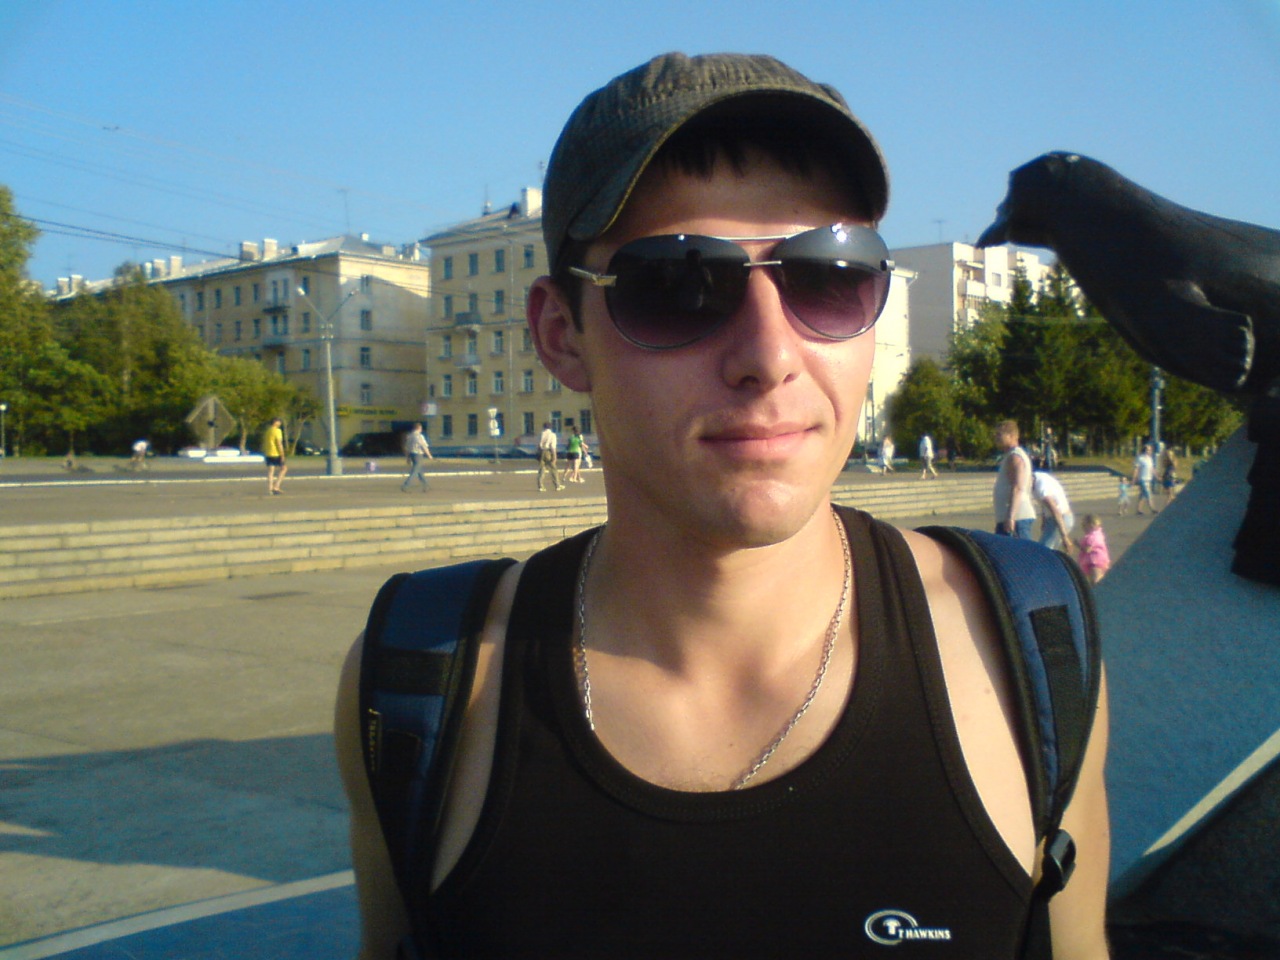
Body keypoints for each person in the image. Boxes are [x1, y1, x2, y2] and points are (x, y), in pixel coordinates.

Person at [335, 52, 1109, 959]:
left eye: (830, 275)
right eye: (680, 284)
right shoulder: (427, 682)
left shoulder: (1027, 649)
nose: (770, 356)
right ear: (561, 335)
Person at [993, 420, 1037, 539]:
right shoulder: (1010, 455)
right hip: (1010, 517)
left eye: (999, 434)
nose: (996, 438)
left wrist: (1010, 516)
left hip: (1017, 518)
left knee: (1021, 551)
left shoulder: (1015, 456)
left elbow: (1017, 487)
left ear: (1012, 436)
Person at [1031, 469, 1075, 552]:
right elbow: (1044, 504)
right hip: (1055, 519)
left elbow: (1055, 511)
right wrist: (1044, 520)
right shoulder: (1037, 477)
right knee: (1048, 551)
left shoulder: (1042, 488)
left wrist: (1065, 537)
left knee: (1043, 550)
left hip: (1061, 519)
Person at [1076, 514, 1112, 584]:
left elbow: (1087, 549)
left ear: (1091, 525)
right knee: (1093, 581)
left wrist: (1077, 544)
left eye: (1084, 525)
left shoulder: (1093, 536)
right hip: (1095, 561)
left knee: (1095, 581)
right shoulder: (1098, 534)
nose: (1083, 528)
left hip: (1095, 561)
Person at [400, 422, 433, 492]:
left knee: (419, 470)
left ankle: (426, 485)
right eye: (421, 428)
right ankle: (405, 485)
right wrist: (429, 455)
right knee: (415, 471)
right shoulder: (419, 436)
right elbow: (424, 446)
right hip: (418, 455)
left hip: (412, 454)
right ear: (419, 428)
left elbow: (407, 448)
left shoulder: (410, 436)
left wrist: (408, 458)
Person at [1132, 442, 1158, 515]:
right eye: (1148, 450)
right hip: (1142, 479)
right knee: (1148, 494)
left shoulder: (1150, 459)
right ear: (1144, 450)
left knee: (1143, 495)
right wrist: (1134, 478)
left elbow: (1152, 469)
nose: (1150, 451)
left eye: (1150, 450)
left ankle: (1139, 509)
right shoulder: (1140, 458)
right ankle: (1153, 508)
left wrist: (1157, 476)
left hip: (1148, 479)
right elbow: (1136, 469)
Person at [262, 417, 286, 495]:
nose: (280, 423)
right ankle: (276, 487)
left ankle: (270, 489)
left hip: (268, 453)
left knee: (271, 472)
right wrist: (282, 454)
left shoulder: (268, 431)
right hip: (276, 453)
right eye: (279, 422)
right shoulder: (277, 431)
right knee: (284, 469)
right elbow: (279, 443)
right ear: (275, 422)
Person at [537, 421, 563, 492]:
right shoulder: (552, 435)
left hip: (541, 452)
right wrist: (554, 456)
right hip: (548, 452)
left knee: (542, 469)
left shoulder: (541, 434)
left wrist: (538, 454)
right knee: (553, 468)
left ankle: (540, 486)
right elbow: (553, 446)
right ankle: (557, 485)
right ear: (551, 427)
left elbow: (538, 445)